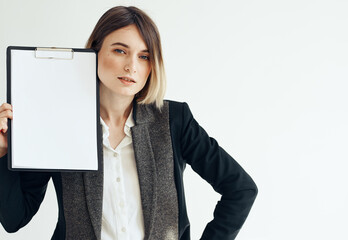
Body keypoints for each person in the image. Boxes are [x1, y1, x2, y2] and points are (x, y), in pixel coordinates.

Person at [0, 6, 257, 240]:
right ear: (94, 51)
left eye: (144, 56)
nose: (131, 66)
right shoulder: (57, 122)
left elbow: (241, 189)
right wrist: (2, 153)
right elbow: (14, 219)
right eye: (120, 50)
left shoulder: (175, 120)